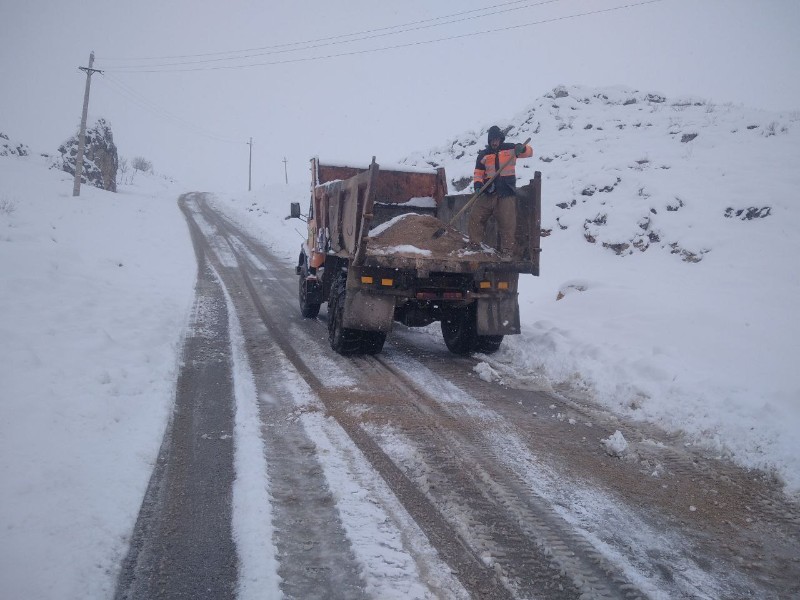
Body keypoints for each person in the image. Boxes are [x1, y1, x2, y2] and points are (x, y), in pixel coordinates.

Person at [469, 125, 533, 258]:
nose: (494, 142)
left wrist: (522, 148)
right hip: (488, 192)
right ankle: (474, 245)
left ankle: (507, 252)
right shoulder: (483, 154)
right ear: (489, 140)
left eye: (496, 139)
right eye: (492, 140)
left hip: (506, 193)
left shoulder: (511, 149)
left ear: (500, 139)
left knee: (507, 224)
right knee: (476, 216)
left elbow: (530, 152)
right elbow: (478, 173)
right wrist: (478, 186)